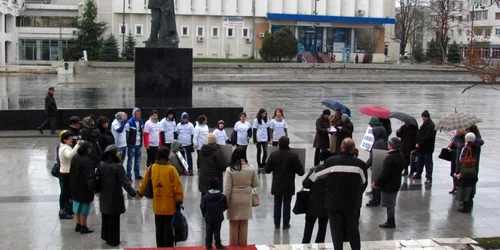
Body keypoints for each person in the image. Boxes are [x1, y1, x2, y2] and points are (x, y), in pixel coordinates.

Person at [317, 138, 367, 250]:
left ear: (341, 147)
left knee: (336, 230)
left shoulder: (331, 162)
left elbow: (318, 175)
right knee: (353, 229)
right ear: (353, 149)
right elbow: (364, 183)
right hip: (352, 203)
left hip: (334, 202)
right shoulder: (360, 165)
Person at [137, 146, 184, 247]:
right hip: (169, 205)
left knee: (159, 230)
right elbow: (178, 186)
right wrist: (179, 200)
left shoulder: (151, 168)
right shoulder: (171, 169)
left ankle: (160, 247)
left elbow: (143, 183)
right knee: (168, 230)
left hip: (157, 206)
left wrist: (139, 193)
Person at [98, 145, 137, 247]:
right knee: (114, 220)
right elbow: (125, 183)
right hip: (115, 196)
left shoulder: (101, 164)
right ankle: (113, 240)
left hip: (104, 196)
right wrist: (134, 193)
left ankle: (106, 236)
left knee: (105, 217)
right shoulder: (118, 166)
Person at [265, 136, 305, 229]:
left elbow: (267, 170)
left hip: (277, 184)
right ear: (288, 143)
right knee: (287, 204)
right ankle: (286, 224)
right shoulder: (293, 155)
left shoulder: (273, 155)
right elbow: (301, 172)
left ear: (278, 143)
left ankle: (276, 223)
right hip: (288, 183)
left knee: (277, 203)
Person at [223, 148, 259, 246]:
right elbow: (255, 183)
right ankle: (243, 246)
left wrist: (224, 202)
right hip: (246, 199)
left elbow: (227, 189)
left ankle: (234, 247)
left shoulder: (230, 170)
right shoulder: (251, 168)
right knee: (244, 224)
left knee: (233, 224)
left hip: (234, 199)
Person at [372, 137, 406, 229]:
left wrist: (376, 183)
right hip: (396, 182)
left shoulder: (389, 158)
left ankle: (391, 221)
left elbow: (385, 173)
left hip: (388, 184)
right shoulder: (401, 156)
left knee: (390, 204)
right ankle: (390, 220)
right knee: (392, 202)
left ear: (391, 146)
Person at [301, 150, 332, 244]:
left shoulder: (316, 170)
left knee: (308, 228)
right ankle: (319, 245)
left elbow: (306, 184)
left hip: (313, 203)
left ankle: (305, 245)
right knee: (322, 228)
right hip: (327, 203)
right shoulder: (333, 171)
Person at [70, 141, 95, 234]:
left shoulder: (75, 157)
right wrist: (94, 188)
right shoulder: (87, 160)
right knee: (84, 207)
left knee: (76, 205)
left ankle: (78, 224)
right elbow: (90, 176)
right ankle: (84, 226)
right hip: (84, 187)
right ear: (88, 149)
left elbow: (71, 171)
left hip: (75, 185)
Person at [455, 132, 481, 213]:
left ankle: (465, 208)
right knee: (470, 189)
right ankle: (469, 206)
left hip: (466, 172)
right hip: (473, 172)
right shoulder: (477, 147)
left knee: (465, 189)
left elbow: (461, 160)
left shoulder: (466, 148)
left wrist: (458, 171)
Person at [58, 131, 82, 220]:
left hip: (67, 172)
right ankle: (63, 210)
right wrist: (77, 145)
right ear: (65, 139)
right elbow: (69, 155)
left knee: (68, 192)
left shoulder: (65, 146)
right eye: (70, 139)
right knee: (65, 192)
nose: (71, 140)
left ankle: (67, 209)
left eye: (72, 138)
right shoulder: (64, 148)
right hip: (65, 173)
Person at [201, 178, 228, 250]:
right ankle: (218, 244)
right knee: (217, 231)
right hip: (218, 217)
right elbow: (225, 206)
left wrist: (204, 214)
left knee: (209, 231)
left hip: (209, 218)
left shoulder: (205, 197)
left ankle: (208, 245)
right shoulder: (222, 197)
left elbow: (202, 207)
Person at [411, 110, 437, 184]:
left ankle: (429, 178)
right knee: (420, 162)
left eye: (425, 117)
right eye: (423, 117)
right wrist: (417, 143)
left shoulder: (431, 126)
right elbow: (420, 134)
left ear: (428, 117)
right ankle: (418, 174)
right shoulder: (424, 124)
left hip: (427, 148)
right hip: (421, 148)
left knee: (428, 163)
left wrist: (419, 143)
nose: (423, 118)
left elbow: (427, 137)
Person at [365, 126, 388, 207]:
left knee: (375, 181)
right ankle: (377, 198)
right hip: (380, 163)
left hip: (377, 164)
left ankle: (376, 199)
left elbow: (372, 157)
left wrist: (365, 166)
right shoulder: (381, 141)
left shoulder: (378, 142)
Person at [198, 133, 226, 198]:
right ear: (215, 141)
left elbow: (198, 162)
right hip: (215, 178)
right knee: (215, 199)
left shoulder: (202, 151)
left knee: (204, 196)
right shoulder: (217, 152)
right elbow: (222, 166)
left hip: (203, 177)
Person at [126, 107, 144, 181]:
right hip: (131, 145)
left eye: (139, 114)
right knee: (130, 161)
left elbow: (141, 132)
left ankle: (137, 174)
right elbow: (127, 134)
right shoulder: (129, 123)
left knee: (137, 160)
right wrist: (128, 143)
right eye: (137, 114)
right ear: (134, 114)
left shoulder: (141, 122)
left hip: (138, 144)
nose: (138, 116)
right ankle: (128, 176)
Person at [448, 129, 466, 194]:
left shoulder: (465, 138)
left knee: (458, 172)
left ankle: (458, 187)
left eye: (458, 131)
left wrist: (461, 145)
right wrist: (451, 145)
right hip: (454, 156)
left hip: (460, 157)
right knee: (453, 172)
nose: (457, 132)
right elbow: (453, 144)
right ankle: (455, 187)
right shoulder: (455, 137)